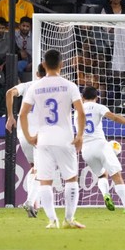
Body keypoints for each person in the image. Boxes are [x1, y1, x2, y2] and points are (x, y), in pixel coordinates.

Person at [19, 49, 87, 229]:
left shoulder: (35, 86)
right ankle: (69, 219)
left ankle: (52, 220)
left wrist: (28, 136)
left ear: (43, 65)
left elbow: (23, 114)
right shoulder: (69, 85)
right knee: (71, 179)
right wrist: (79, 135)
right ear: (62, 65)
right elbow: (80, 111)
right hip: (65, 138)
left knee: (44, 181)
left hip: (43, 139)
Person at [76, 86, 125, 214]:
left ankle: (106, 194)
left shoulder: (77, 110)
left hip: (86, 150)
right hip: (100, 145)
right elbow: (114, 118)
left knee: (102, 175)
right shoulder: (99, 107)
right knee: (116, 175)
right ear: (97, 97)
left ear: (82, 97)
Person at [5, 63, 46, 218]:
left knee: (34, 167)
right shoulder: (53, 88)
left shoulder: (28, 85)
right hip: (42, 134)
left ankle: (33, 203)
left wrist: (10, 117)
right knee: (40, 169)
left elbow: (10, 93)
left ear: (36, 73)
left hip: (23, 133)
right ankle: (30, 201)